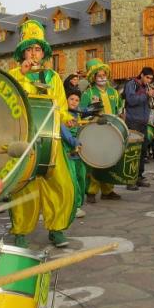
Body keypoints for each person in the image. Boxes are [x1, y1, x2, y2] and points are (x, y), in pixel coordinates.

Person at [8, 20, 76, 248]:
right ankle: (21, 231)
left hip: (51, 141)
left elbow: (61, 107)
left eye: (38, 49)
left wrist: (68, 119)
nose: (34, 53)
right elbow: (7, 100)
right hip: (25, 140)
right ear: (22, 53)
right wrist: (21, 76)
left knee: (62, 185)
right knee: (23, 188)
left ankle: (56, 229)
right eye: (29, 49)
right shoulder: (14, 74)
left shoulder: (53, 77)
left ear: (43, 52)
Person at [80, 59, 123, 201]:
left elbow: (119, 110)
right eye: (99, 75)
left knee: (110, 160)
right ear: (93, 77)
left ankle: (107, 191)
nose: (102, 77)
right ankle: (91, 191)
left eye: (104, 75)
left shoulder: (113, 92)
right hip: (96, 132)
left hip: (111, 132)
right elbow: (82, 112)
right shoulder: (88, 93)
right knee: (96, 161)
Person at [123, 67, 154, 190]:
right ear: (141, 75)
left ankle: (139, 177)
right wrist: (146, 95)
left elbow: (150, 103)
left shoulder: (147, 87)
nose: (149, 80)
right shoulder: (132, 84)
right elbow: (131, 100)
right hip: (133, 122)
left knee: (142, 151)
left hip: (143, 122)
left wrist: (153, 95)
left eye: (151, 78)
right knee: (133, 152)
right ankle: (130, 179)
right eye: (147, 77)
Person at [61, 88, 87, 219]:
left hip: (79, 151)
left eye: (77, 100)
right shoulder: (62, 114)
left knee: (81, 178)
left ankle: (78, 204)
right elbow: (64, 131)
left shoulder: (78, 113)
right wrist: (74, 142)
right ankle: (74, 206)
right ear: (66, 99)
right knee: (73, 180)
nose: (74, 102)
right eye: (71, 99)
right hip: (67, 150)